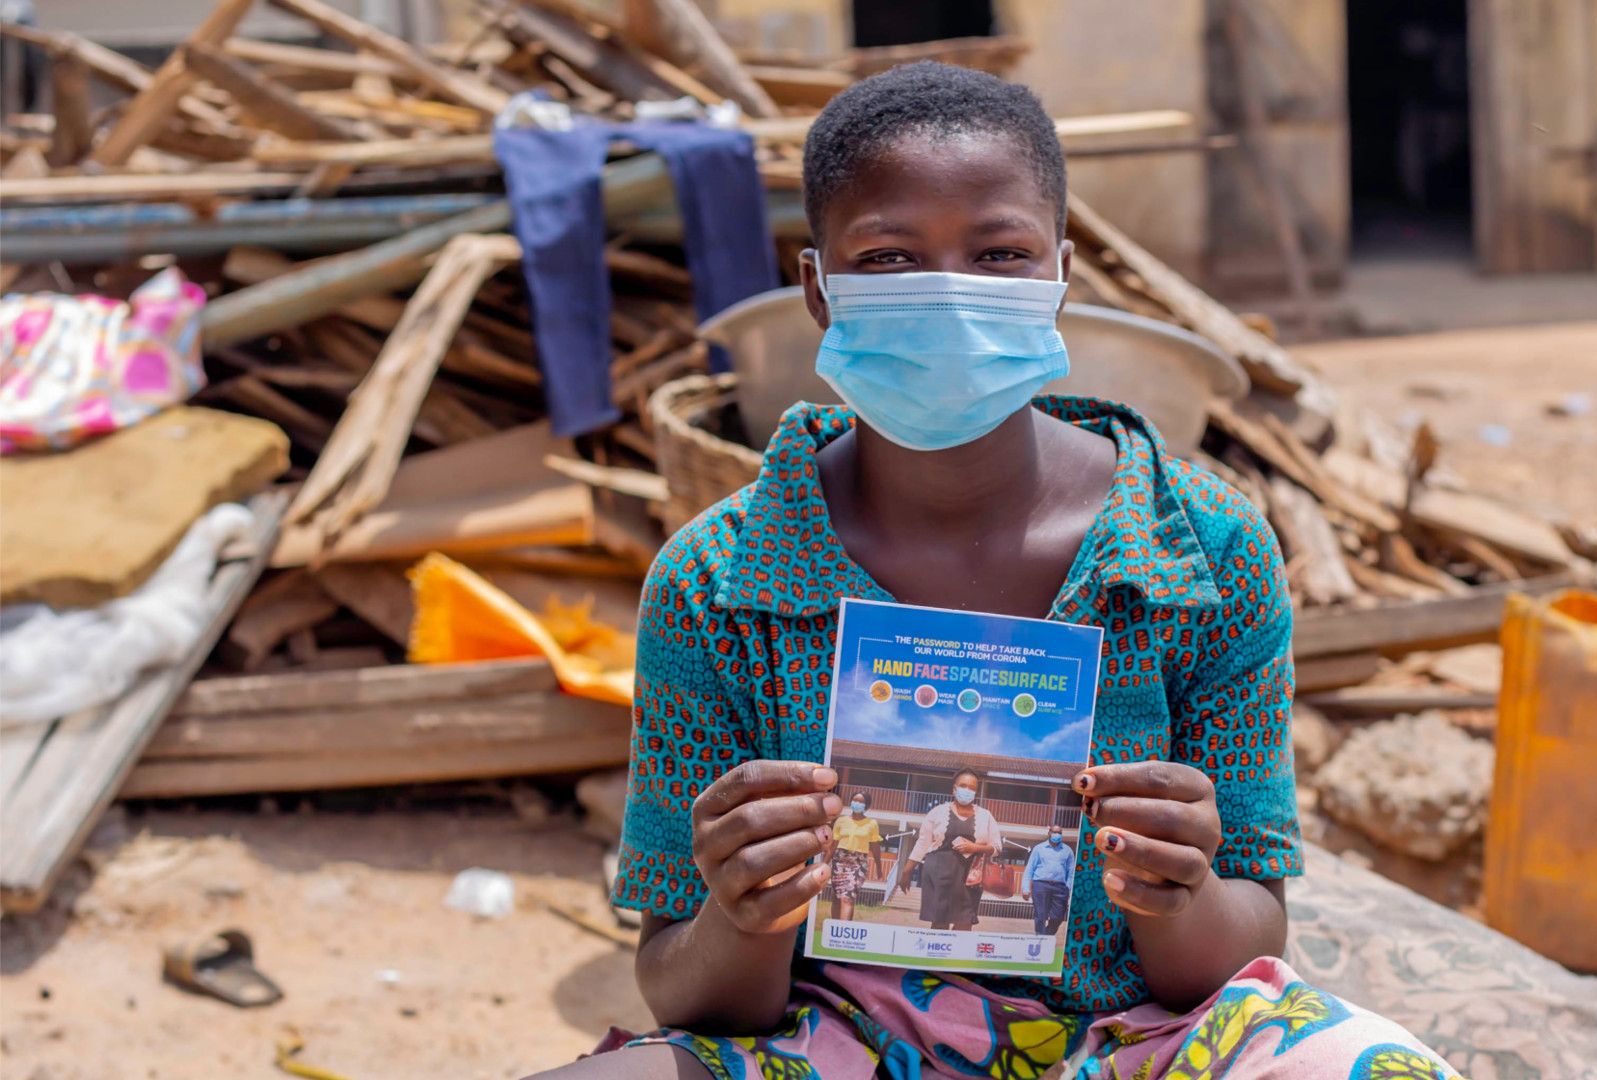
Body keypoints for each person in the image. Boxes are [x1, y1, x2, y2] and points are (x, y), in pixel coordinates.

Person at [535, 61, 1456, 1079]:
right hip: (837, 1043)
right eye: (888, 256)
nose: (950, 293)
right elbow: (683, 987)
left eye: (1000, 252)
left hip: (1137, 1044)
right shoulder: (715, 585)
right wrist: (745, 909)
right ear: (817, 289)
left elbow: (1244, 947)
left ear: (1060, 276)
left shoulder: (1204, 554)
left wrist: (1177, 892)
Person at [894, 769, 1001, 930]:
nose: (967, 791)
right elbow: (922, 843)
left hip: (970, 878)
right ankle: (936, 955)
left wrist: (975, 847)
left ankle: (956, 955)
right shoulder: (937, 812)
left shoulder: (986, 816)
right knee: (939, 923)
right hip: (938, 874)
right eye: (963, 786)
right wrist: (906, 872)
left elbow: (997, 848)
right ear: (954, 788)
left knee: (964, 924)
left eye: (972, 788)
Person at [822, 791, 881, 921]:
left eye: (861, 801)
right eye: (855, 800)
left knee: (848, 898)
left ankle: (844, 933)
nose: (857, 803)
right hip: (839, 861)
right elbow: (833, 845)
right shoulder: (841, 821)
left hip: (858, 863)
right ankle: (835, 931)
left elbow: (875, 847)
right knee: (837, 898)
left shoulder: (872, 824)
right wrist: (824, 864)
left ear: (867, 805)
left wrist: (879, 867)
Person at [1021, 825, 1075, 936]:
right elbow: (1029, 869)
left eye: (1060, 832)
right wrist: (1025, 888)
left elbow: (1071, 872)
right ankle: (1040, 939)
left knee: (1058, 917)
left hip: (1060, 888)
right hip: (1040, 886)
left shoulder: (1067, 850)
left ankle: (1046, 936)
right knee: (1040, 916)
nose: (1057, 835)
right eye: (1055, 832)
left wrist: (1068, 887)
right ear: (1049, 833)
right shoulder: (1038, 849)